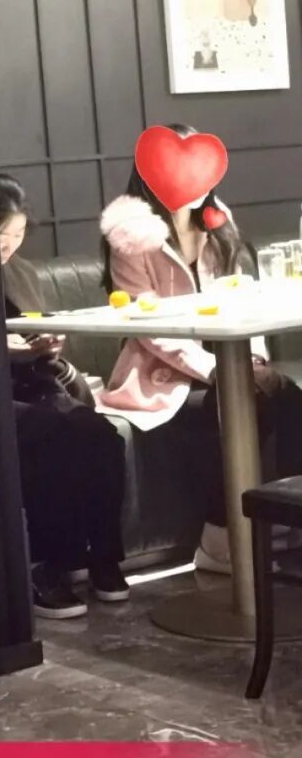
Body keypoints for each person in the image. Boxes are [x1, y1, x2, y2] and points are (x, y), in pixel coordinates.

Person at [100, 123, 302, 574]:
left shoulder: (217, 223)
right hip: (163, 379)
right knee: (229, 406)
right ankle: (219, 539)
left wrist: (253, 360)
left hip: (231, 359)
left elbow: (244, 296)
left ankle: (288, 521)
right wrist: (214, 369)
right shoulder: (131, 237)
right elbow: (148, 326)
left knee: (288, 397)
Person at [0, 176, 128, 620]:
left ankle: (104, 558)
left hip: (37, 382)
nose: (9, 244)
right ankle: (49, 566)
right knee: (51, 434)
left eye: (17, 234)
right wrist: (7, 351)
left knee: (100, 433)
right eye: (0, 233)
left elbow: (38, 329)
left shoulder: (21, 272)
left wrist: (48, 345)